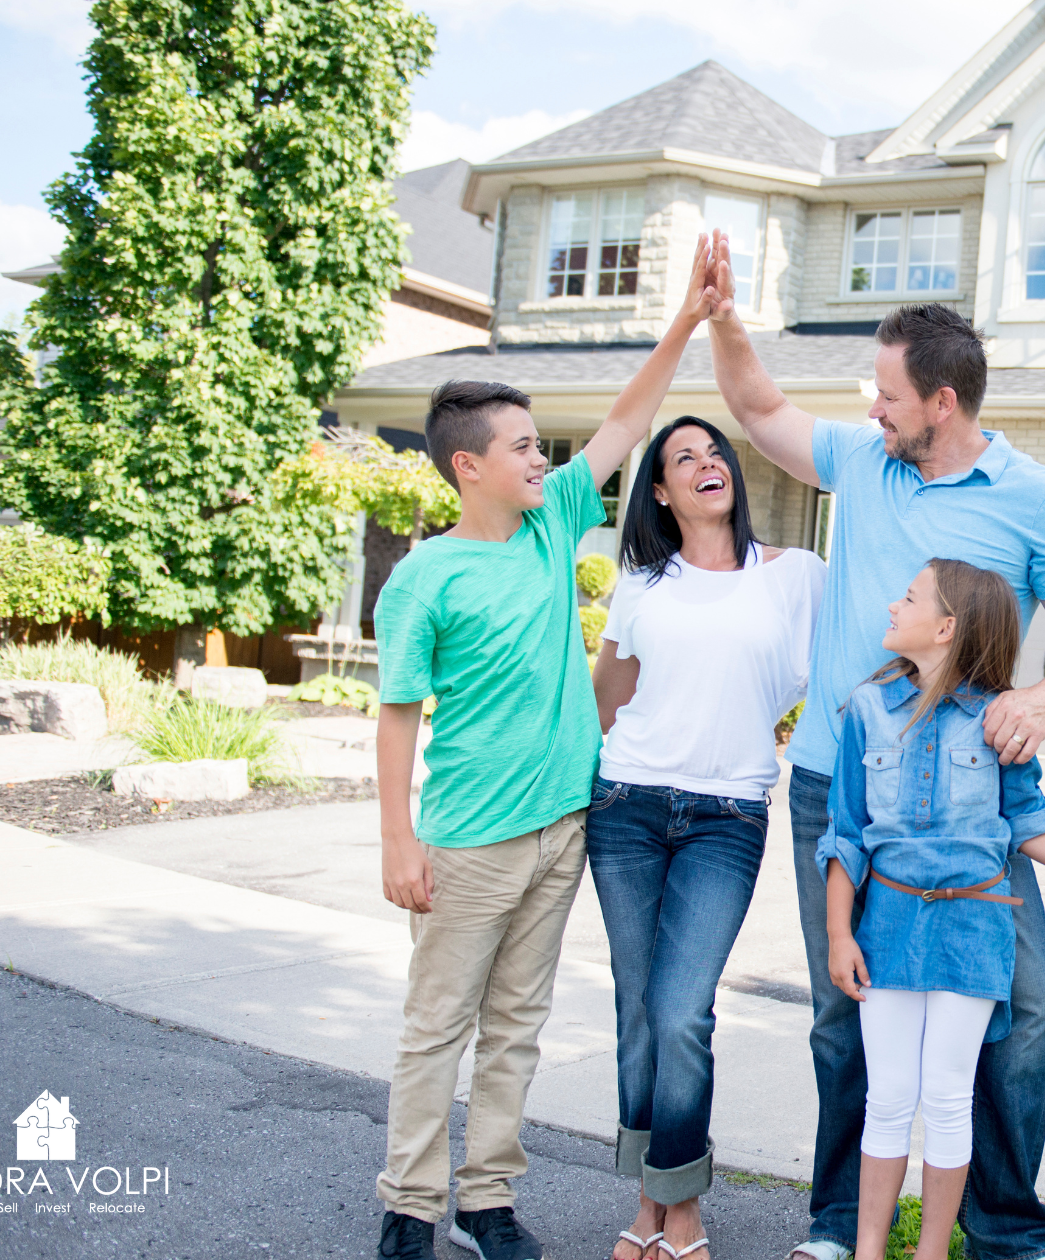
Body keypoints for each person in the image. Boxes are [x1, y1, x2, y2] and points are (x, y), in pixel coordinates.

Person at [700, 228, 1045, 1260]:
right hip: (841, 787)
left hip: (972, 795)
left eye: (885, 394)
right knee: (847, 1010)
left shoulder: (1036, 500)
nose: (870, 409)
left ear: (942, 404)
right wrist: (725, 321)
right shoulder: (860, 461)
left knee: (1023, 1005)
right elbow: (753, 409)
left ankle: (1004, 1229)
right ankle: (841, 1225)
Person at [370, 239, 720, 1260]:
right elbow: (395, 716)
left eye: (541, 445)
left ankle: (486, 1203)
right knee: (438, 1027)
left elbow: (624, 421)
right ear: (467, 464)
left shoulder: (550, 523)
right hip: (467, 840)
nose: (542, 459)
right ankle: (407, 1207)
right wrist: (398, 842)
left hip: (563, 826)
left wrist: (685, 325)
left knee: (517, 1025)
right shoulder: (424, 579)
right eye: (522, 446)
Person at [820, 560, 1045, 1260]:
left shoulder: (1001, 719)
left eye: (910, 597)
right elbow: (846, 835)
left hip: (975, 931)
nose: (894, 604)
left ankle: (931, 1255)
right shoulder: (865, 710)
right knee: (887, 1096)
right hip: (887, 925)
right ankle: (866, 1251)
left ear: (947, 627)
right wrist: (838, 933)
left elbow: (1030, 826)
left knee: (948, 1096)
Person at [588, 413, 825, 1260]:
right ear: (660, 490)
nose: (705, 462)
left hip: (727, 814)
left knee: (682, 1010)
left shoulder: (795, 576)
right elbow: (607, 695)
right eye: (681, 457)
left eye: (713, 449)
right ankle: (659, 1207)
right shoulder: (642, 582)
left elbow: (870, 638)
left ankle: (672, 1205)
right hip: (628, 805)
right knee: (637, 1007)